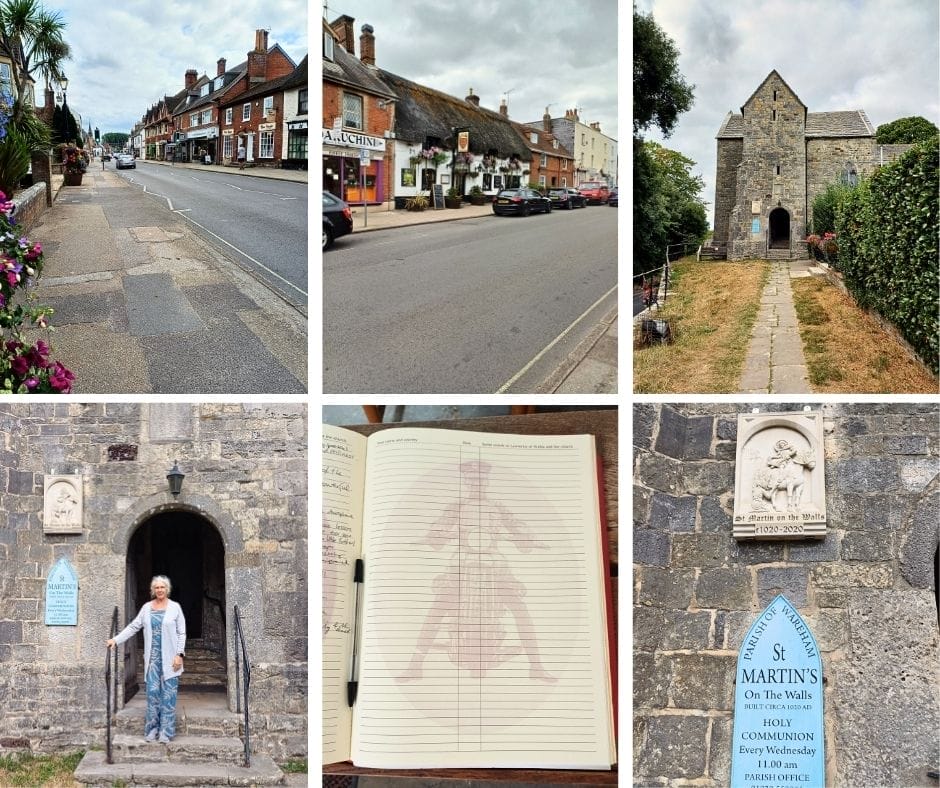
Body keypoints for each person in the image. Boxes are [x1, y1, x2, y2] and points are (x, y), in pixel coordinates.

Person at [107, 575, 186, 743]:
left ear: (167, 589)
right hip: (153, 661)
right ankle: (151, 730)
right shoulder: (146, 608)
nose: (159, 590)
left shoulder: (175, 608)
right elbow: (133, 627)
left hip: (171, 660)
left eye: (162, 587)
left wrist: (179, 654)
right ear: (153, 590)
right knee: (152, 695)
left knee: (169, 697)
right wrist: (116, 640)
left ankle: (166, 732)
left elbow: (182, 633)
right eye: (156, 587)